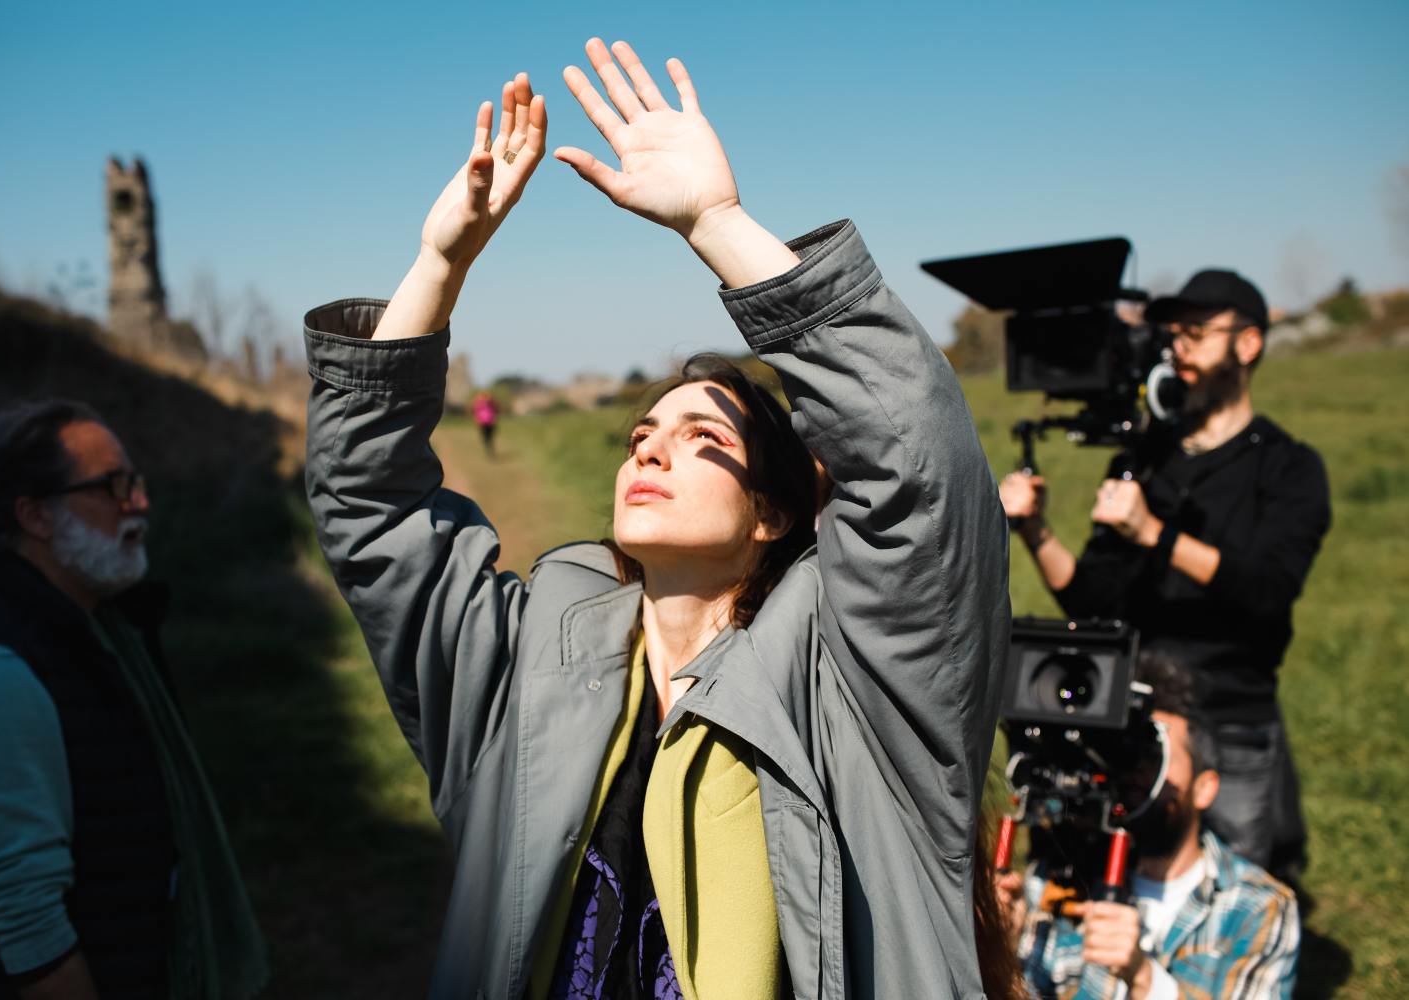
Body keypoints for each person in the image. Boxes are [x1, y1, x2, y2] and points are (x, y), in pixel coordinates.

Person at [304, 40, 1010, 999]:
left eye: (700, 437)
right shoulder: (519, 679)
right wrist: (439, 264)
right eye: (642, 435)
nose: (649, 450)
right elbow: (368, 508)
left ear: (771, 514)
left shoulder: (861, 686)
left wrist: (718, 224)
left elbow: (916, 458)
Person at [0, 399, 268, 999]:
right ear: (35, 516)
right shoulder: (0, 673)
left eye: (136, 483)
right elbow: (27, 926)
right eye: (113, 487)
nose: (139, 503)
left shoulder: (96, 629)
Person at [998, 268, 1330, 883]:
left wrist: (1154, 533)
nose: (1179, 349)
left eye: (1197, 334)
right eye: (1175, 335)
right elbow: (1091, 598)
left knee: (1232, 891)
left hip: (1228, 720)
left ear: (1248, 344)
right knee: (1106, 882)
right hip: (1128, 713)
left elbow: (1268, 590)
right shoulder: (1146, 462)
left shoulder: (1289, 467)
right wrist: (1036, 530)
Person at [997, 655, 1300, 999]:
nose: (1137, 770)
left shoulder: (1258, 906)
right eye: (1129, 753)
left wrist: (1143, 977)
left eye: (1155, 754)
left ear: (1204, 787)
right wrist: (1002, 947)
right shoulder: (1061, 881)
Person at [472, 390, 500, 456]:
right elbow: (475, 411)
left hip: (491, 422)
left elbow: (496, 410)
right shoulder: (479, 403)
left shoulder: (492, 403)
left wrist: (495, 418)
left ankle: (490, 448)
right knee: (485, 437)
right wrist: (477, 419)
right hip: (482, 423)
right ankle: (488, 449)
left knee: (490, 436)